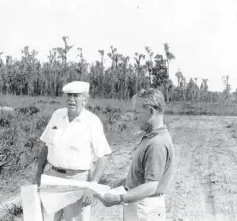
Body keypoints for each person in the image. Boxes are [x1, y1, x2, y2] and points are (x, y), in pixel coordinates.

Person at [33, 81, 112, 221]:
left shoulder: (92, 121)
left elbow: (104, 156)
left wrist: (91, 186)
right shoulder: (57, 115)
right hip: (52, 177)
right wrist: (38, 174)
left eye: (76, 96)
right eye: (69, 95)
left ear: (85, 99)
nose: (71, 99)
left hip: (78, 180)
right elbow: (45, 145)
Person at [97, 88, 174, 221]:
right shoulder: (151, 137)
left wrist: (118, 198)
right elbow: (141, 178)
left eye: (137, 112)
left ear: (151, 111)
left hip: (145, 209)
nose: (134, 117)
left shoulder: (157, 143)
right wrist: (115, 184)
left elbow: (151, 186)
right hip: (141, 206)